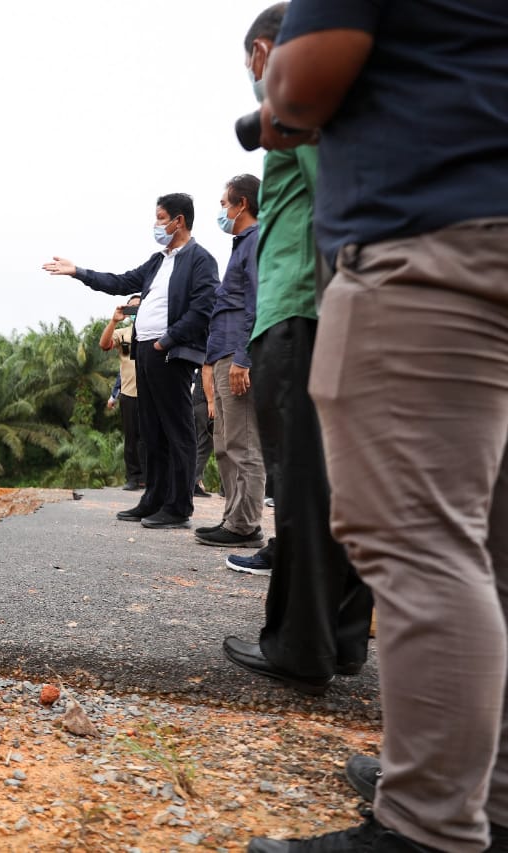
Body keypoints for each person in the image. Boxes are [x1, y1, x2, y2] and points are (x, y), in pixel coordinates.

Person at [241, 0, 508, 851]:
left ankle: (426, 826)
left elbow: (306, 82)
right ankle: (481, 791)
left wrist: (275, 106)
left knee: (420, 539)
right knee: (491, 547)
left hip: (427, 240)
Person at [220, 3, 374, 706]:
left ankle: (298, 643)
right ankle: (341, 635)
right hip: (326, 304)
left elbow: (330, 190)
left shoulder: (298, 99)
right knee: (345, 480)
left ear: (264, 52)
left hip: (302, 307)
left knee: (304, 480)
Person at [43, 194, 218, 529]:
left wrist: (166, 340)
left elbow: (202, 309)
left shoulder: (200, 260)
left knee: (177, 430)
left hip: (170, 353)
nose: (157, 224)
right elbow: (120, 282)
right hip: (145, 353)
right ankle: (153, 498)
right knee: (151, 431)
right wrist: (78, 271)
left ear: (178, 221)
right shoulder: (157, 261)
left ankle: (179, 506)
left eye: (161, 217)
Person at [196, 175, 265, 548]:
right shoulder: (239, 246)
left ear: (241, 204)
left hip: (237, 356)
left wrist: (244, 357)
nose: (222, 211)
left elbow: (255, 303)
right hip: (222, 355)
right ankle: (232, 517)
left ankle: (245, 526)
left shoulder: (255, 242)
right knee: (224, 444)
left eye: (224, 204)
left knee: (244, 445)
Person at [100, 295, 145, 490]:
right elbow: (104, 344)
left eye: (139, 307)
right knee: (131, 437)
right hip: (129, 392)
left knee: (152, 437)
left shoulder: (154, 332)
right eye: (131, 308)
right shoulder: (122, 333)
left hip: (152, 393)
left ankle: (151, 478)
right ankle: (133, 477)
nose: (135, 311)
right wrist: (113, 320)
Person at [192, 369, 213, 498]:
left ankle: (194, 481)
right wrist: (210, 401)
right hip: (203, 402)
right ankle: (193, 482)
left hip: (200, 402)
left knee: (203, 443)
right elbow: (207, 375)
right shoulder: (209, 355)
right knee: (207, 443)